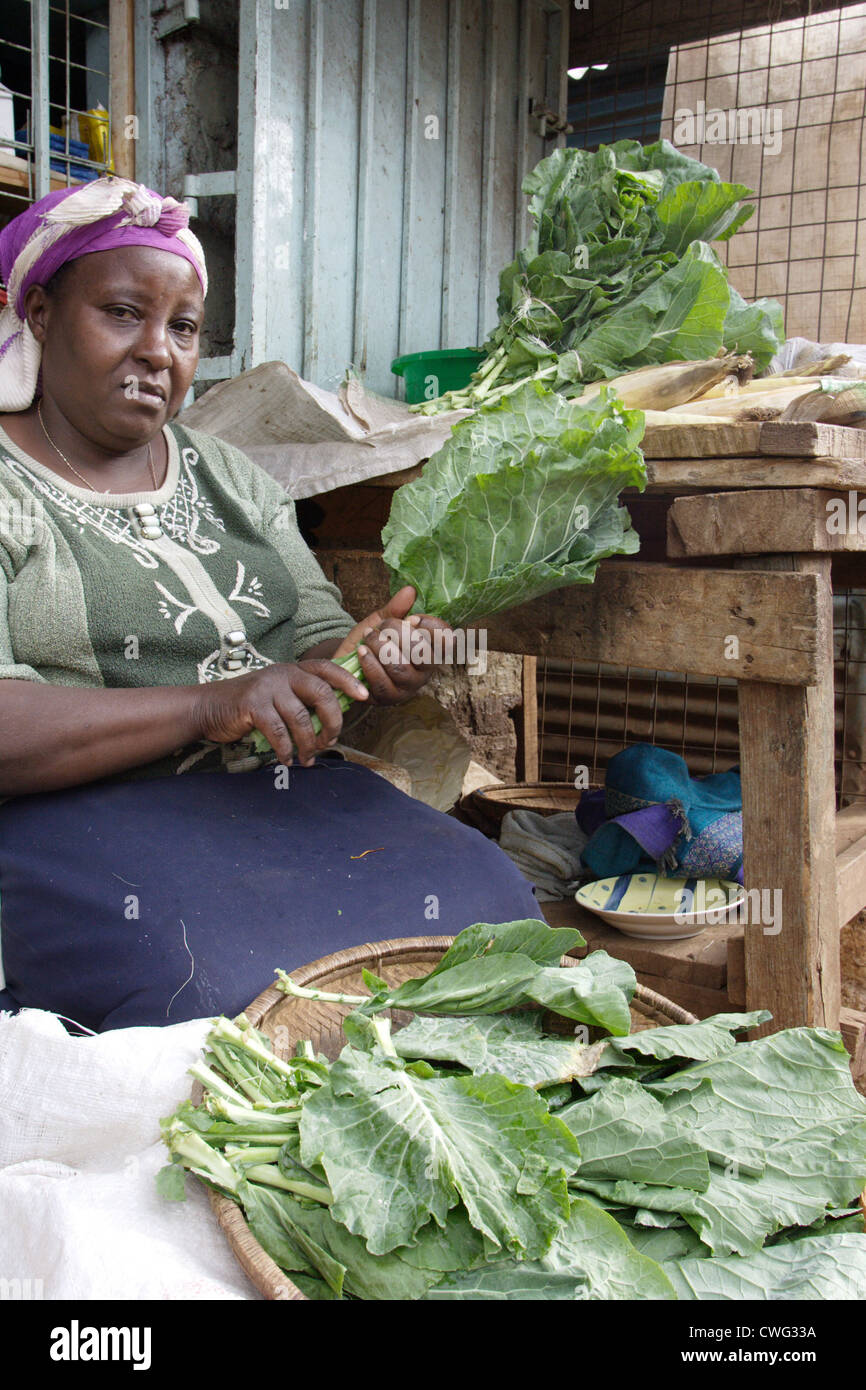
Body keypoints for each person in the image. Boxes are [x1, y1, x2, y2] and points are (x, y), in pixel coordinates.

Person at [0, 177, 542, 1031]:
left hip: (281, 795)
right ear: (37, 312)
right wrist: (209, 704)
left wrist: (376, 664)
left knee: (495, 915)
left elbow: (320, 642)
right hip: (80, 821)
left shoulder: (229, 476)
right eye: (121, 313)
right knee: (222, 993)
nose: (158, 351)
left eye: (181, 328)